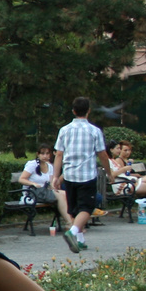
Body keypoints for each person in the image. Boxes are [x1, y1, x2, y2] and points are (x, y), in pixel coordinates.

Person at [52, 97, 111, 253]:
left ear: (73, 111)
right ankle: (72, 232)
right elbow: (102, 154)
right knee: (86, 208)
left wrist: (55, 176)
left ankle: (80, 240)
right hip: (87, 175)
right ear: (88, 111)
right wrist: (109, 172)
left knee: (73, 209)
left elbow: (59, 154)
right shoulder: (94, 131)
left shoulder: (64, 130)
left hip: (70, 175)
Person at [17, 144, 68, 225]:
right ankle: (70, 222)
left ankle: (70, 221)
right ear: (38, 154)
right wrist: (33, 183)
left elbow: (51, 183)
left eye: (47, 153)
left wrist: (54, 187)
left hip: (45, 192)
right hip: (32, 193)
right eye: (43, 153)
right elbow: (21, 179)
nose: (45, 156)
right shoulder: (32, 164)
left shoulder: (50, 166)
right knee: (61, 195)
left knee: (65, 194)